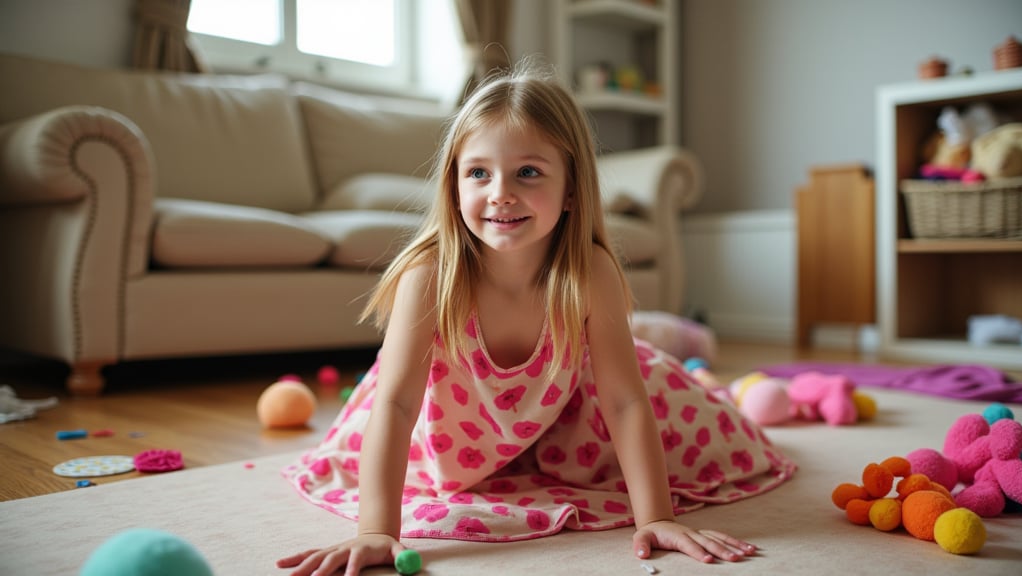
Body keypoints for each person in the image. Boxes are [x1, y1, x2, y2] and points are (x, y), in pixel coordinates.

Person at [277, 61, 795, 576]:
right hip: (452, 434)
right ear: (453, 187)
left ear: (571, 189)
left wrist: (657, 517)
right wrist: (376, 531)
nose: (500, 192)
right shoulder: (430, 274)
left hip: (564, 414)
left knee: (685, 411)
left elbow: (623, 399)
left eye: (528, 172)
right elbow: (395, 403)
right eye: (478, 172)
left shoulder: (590, 271)